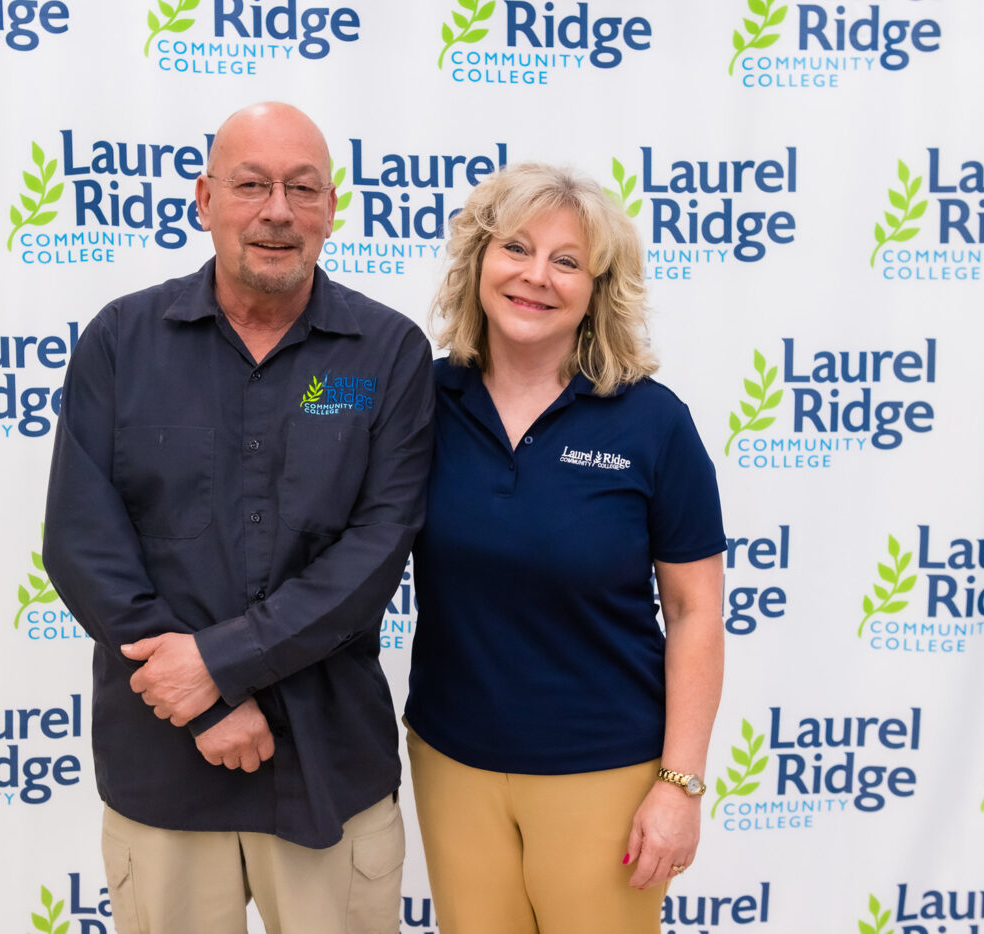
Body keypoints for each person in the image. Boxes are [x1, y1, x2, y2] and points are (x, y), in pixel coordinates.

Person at [42, 101, 433, 934]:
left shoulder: (389, 354)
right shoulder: (120, 340)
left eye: (303, 188)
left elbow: (374, 554)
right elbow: (83, 544)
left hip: (331, 766)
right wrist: (205, 702)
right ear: (204, 199)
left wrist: (215, 664)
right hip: (163, 765)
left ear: (333, 208)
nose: (278, 211)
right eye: (251, 184)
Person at [404, 162, 726, 934]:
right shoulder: (418, 395)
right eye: (516, 247)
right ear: (479, 260)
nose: (536, 276)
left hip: (605, 774)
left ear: (596, 289)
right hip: (451, 764)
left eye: (567, 261)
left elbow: (694, 612)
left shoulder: (653, 425)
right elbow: (314, 393)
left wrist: (679, 786)